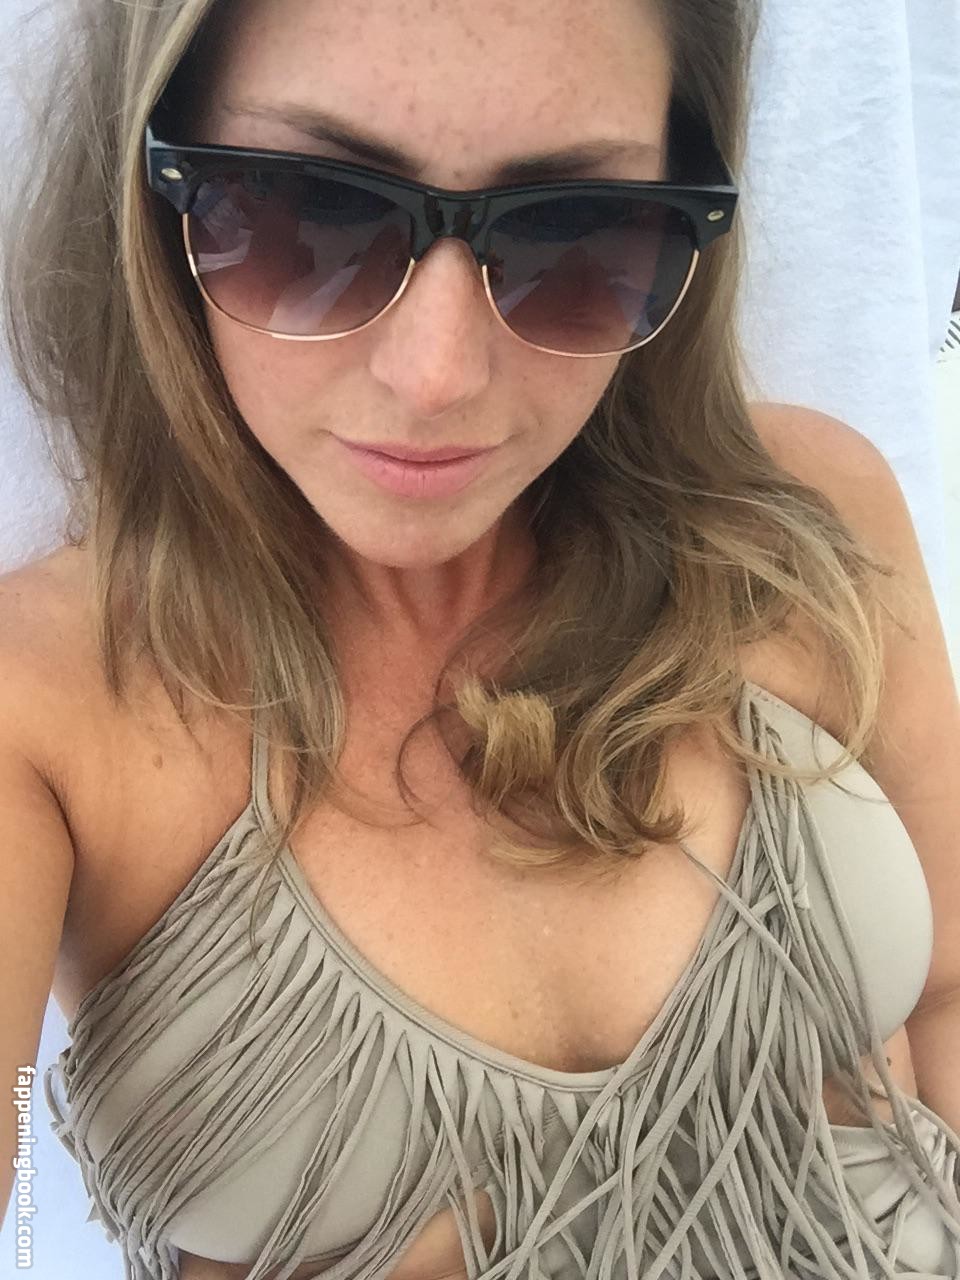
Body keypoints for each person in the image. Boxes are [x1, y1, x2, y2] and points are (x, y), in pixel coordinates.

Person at [1, 0, 959, 1277]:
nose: (437, 376)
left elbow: (947, 994)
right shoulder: (44, 703)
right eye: (310, 213)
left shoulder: (807, 515)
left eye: (574, 229)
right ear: (154, 189)